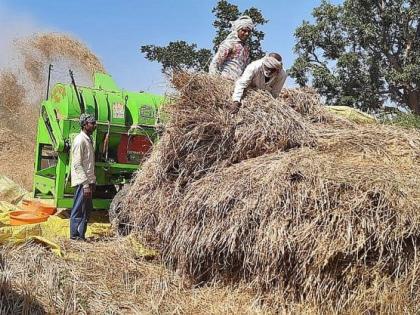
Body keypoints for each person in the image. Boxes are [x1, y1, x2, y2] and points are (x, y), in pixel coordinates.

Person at [69, 113, 96, 241]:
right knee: (78, 209)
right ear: (85, 125)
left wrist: (92, 181)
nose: (94, 125)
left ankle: (81, 235)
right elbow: (77, 164)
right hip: (82, 182)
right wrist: (85, 184)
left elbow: (89, 162)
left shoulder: (88, 140)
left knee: (87, 210)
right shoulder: (80, 140)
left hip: (89, 181)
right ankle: (74, 236)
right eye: (92, 123)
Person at [209, 15, 254, 81]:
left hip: (237, 83)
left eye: (249, 31)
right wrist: (214, 81)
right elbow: (215, 63)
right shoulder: (229, 43)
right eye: (244, 30)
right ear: (237, 30)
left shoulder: (246, 48)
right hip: (225, 81)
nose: (247, 34)